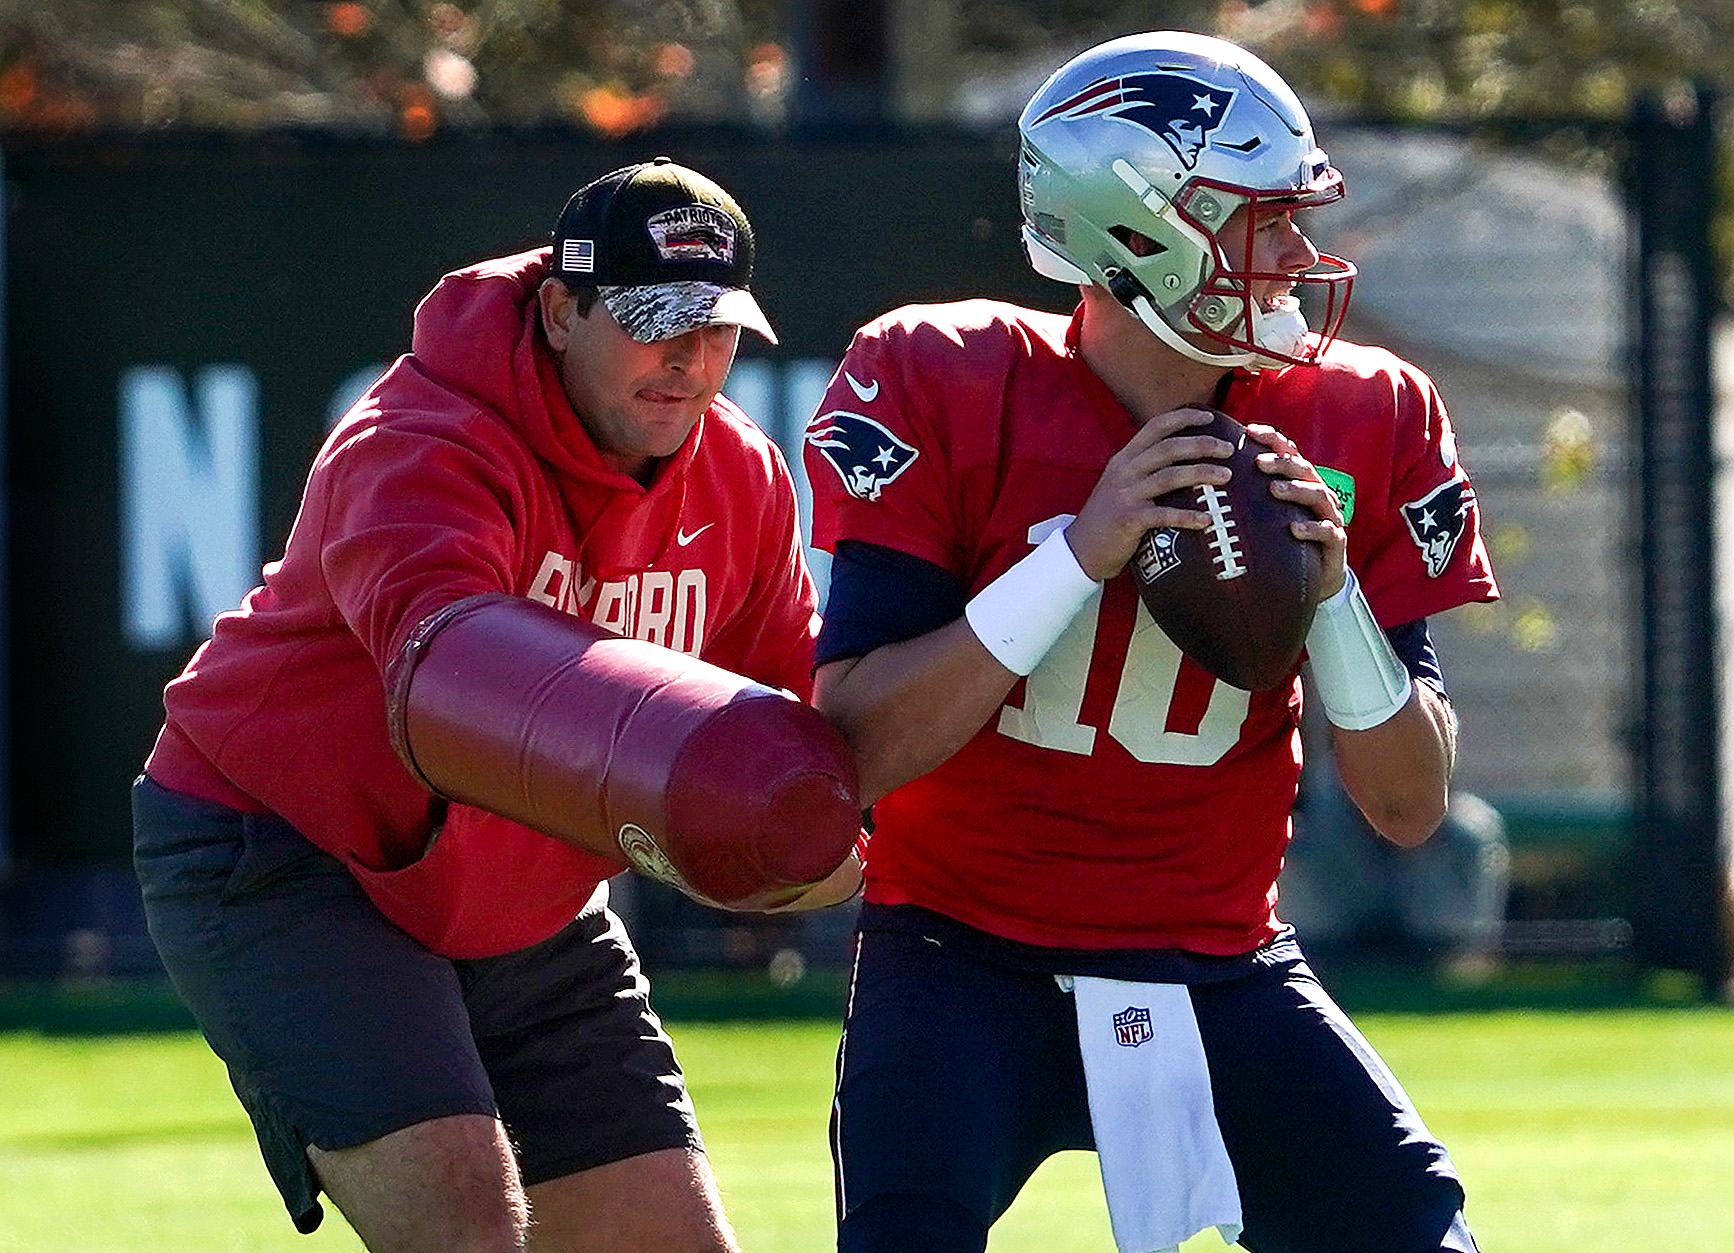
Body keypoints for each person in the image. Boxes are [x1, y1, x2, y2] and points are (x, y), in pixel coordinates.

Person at [803, 31, 1499, 1253]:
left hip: (1222, 954)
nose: (1298, 254)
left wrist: (1328, 594)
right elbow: (855, 745)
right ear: (1136, 229)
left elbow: (1410, 802)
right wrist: (1075, 556)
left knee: (1415, 1230)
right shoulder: (945, 375)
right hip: (960, 957)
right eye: (1261, 219)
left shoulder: (1363, 411)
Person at [133, 157, 858, 1252]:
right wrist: (679, 781)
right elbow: (440, 676)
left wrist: (857, 840)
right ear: (561, 311)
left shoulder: (741, 478)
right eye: (655, 320)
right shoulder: (422, 438)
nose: (691, 359)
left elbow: (811, 724)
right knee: (468, 1234)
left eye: (717, 329)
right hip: (287, 850)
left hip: (519, 890)